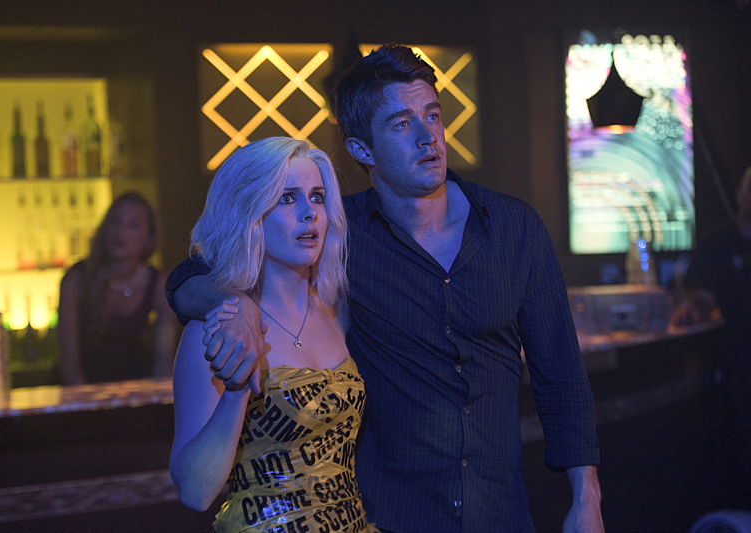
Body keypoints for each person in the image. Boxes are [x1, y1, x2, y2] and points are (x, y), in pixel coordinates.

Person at [168, 45, 603, 532]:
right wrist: (235, 303)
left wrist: (587, 499)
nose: (427, 136)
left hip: (498, 513)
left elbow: (561, 374)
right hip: (394, 518)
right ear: (361, 150)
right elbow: (190, 275)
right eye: (401, 124)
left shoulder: (513, 229)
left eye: (432, 115)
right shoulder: (343, 238)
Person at [168, 137, 379, 533]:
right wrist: (236, 391)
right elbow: (195, 492)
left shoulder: (337, 309)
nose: (309, 213)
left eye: (317, 198)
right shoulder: (218, 325)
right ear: (249, 214)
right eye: (286, 199)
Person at [669, 165, 751, 504]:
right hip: (743, 365)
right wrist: (690, 311)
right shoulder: (718, 242)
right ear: (740, 194)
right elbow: (700, 302)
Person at [58, 191, 178, 384]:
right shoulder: (75, 280)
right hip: (85, 385)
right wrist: (88, 400)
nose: (120, 230)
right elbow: (69, 363)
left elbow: (164, 361)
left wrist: (157, 398)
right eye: (115, 221)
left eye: (133, 224)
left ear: (149, 237)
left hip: (138, 384)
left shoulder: (157, 284)